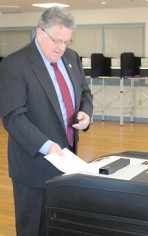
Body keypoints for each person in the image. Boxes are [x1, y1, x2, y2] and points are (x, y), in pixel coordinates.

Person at [0, 7, 93, 236]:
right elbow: (13, 117)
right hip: (33, 165)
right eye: (57, 40)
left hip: (68, 161)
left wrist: (85, 113)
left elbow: (85, 93)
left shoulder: (71, 58)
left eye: (67, 41)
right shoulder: (15, 65)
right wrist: (45, 145)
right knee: (34, 228)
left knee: (60, 226)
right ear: (40, 32)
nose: (61, 48)